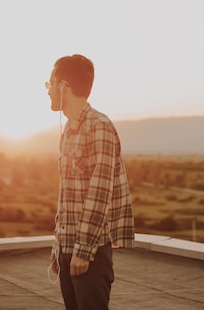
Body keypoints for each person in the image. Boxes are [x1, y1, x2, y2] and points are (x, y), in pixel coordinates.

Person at [46, 54, 135, 310]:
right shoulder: (69, 131)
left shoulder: (99, 127)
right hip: (67, 250)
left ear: (64, 86)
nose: (48, 91)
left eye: (50, 84)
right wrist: (58, 246)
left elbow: (99, 193)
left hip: (90, 254)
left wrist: (83, 250)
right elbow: (68, 197)